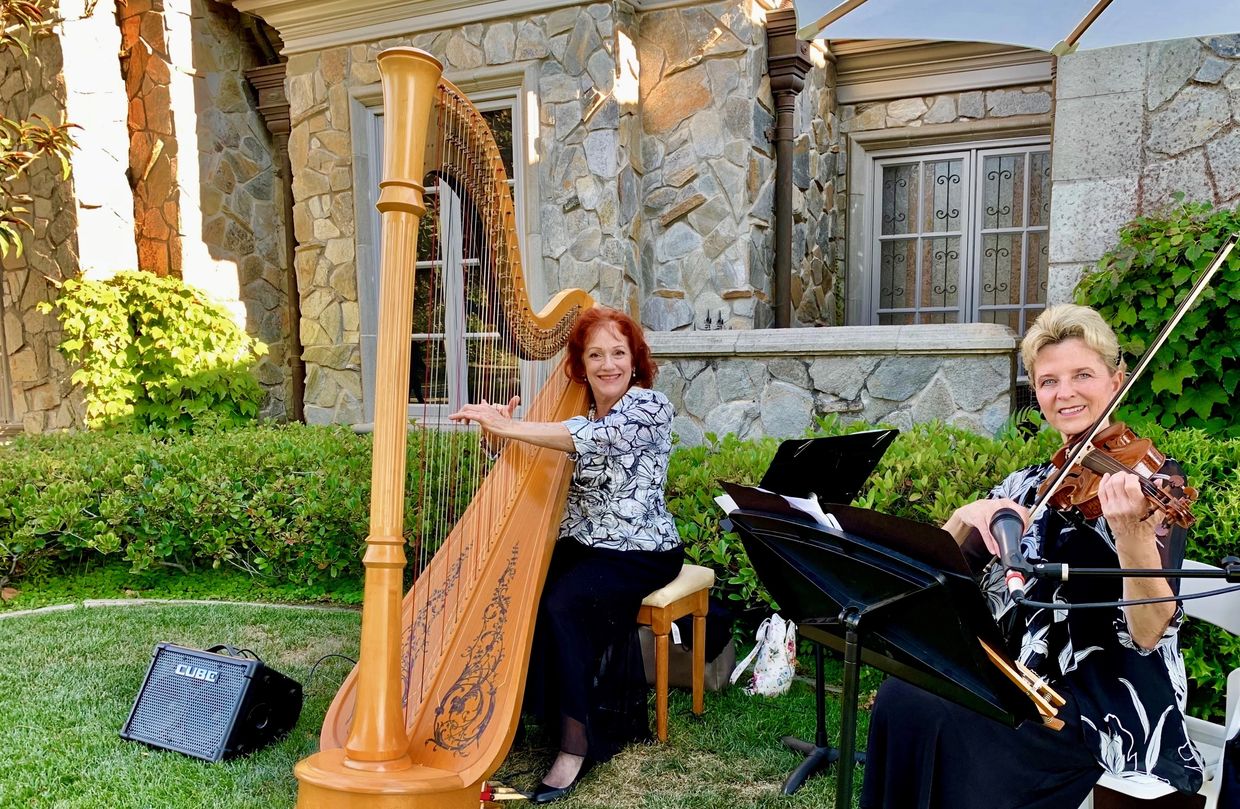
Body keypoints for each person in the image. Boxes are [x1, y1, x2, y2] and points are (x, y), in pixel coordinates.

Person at [860, 304, 1205, 809]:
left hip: (1108, 702)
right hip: (1020, 677)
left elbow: (1151, 630)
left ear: (1116, 380)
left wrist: (1129, 532)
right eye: (1048, 382)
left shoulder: (1154, 486)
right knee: (902, 697)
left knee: (970, 738)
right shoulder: (1027, 485)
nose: (1064, 393)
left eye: (1082, 375)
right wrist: (963, 515)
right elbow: (933, 574)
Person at [449, 306, 683, 804]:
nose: (607, 364)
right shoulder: (575, 416)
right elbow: (538, 467)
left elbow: (596, 441)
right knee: (515, 591)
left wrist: (514, 429)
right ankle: (521, 713)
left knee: (564, 605)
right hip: (583, 543)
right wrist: (498, 437)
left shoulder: (649, 408)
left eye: (618, 352)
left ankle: (575, 744)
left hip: (640, 548)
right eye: (595, 354)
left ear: (635, 359)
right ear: (579, 362)